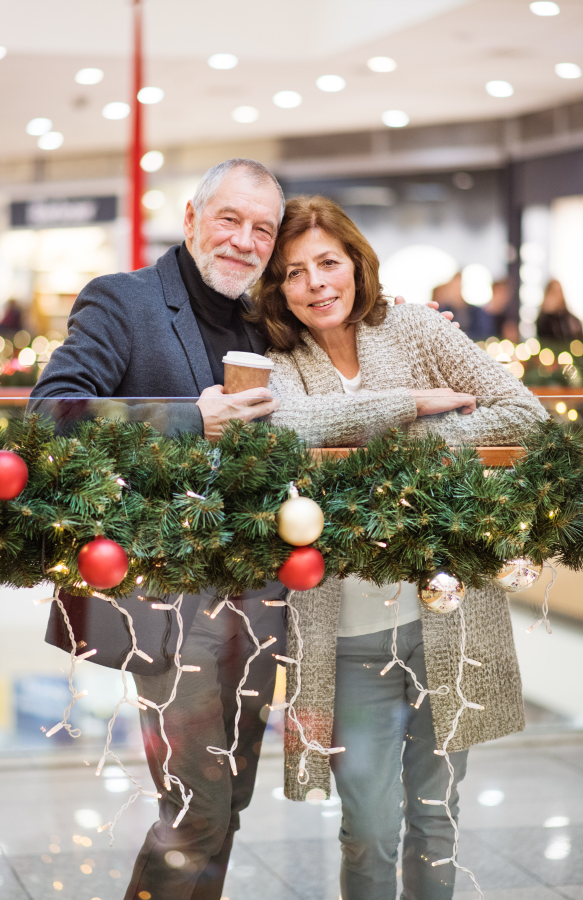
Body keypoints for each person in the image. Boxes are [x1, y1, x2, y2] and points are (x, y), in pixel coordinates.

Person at [28, 159, 455, 900]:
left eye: (262, 228)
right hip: (171, 606)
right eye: (230, 219)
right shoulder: (123, 301)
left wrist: (418, 329)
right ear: (192, 219)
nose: (245, 239)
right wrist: (194, 419)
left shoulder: (267, 313)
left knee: (228, 809)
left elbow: (345, 352)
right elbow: (50, 415)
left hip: (261, 602)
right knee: (193, 815)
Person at [252, 195, 546, 900]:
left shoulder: (414, 328)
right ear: (277, 286)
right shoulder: (274, 357)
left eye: (329, 262)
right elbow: (285, 429)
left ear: (357, 261)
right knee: (370, 826)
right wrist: (410, 403)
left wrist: (385, 445)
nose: (317, 283)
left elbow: (525, 414)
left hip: (448, 616)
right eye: (295, 272)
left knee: (437, 815)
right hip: (344, 636)